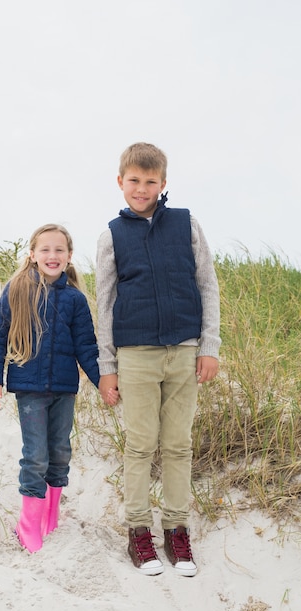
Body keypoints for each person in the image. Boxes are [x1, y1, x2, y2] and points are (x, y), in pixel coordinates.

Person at [96, 142, 220, 577]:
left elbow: (207, 285)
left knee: (178, 444)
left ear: (163, 183)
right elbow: (105, 303)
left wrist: (208, 346)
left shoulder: (186, 225)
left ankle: (176, 531)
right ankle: (138, 532)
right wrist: (107, 369)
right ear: (121, 182)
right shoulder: (112, 234)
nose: (142, 188)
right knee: (140, 444)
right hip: (136, 354)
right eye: (134, 180)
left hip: (184, 352)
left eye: (151, 181)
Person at [0, 224, 103, 553]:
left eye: (59, 250)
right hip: (30, 389)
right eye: (45, 250)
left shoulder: (75, 299)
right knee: (36, 456)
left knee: (60, 453)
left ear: (69, 256)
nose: (52, 255)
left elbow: (87, 348)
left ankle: (51, 513)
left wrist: (103, 382)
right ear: (32, 255)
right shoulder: (16, 289)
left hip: (64, 388)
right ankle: (28, 522)